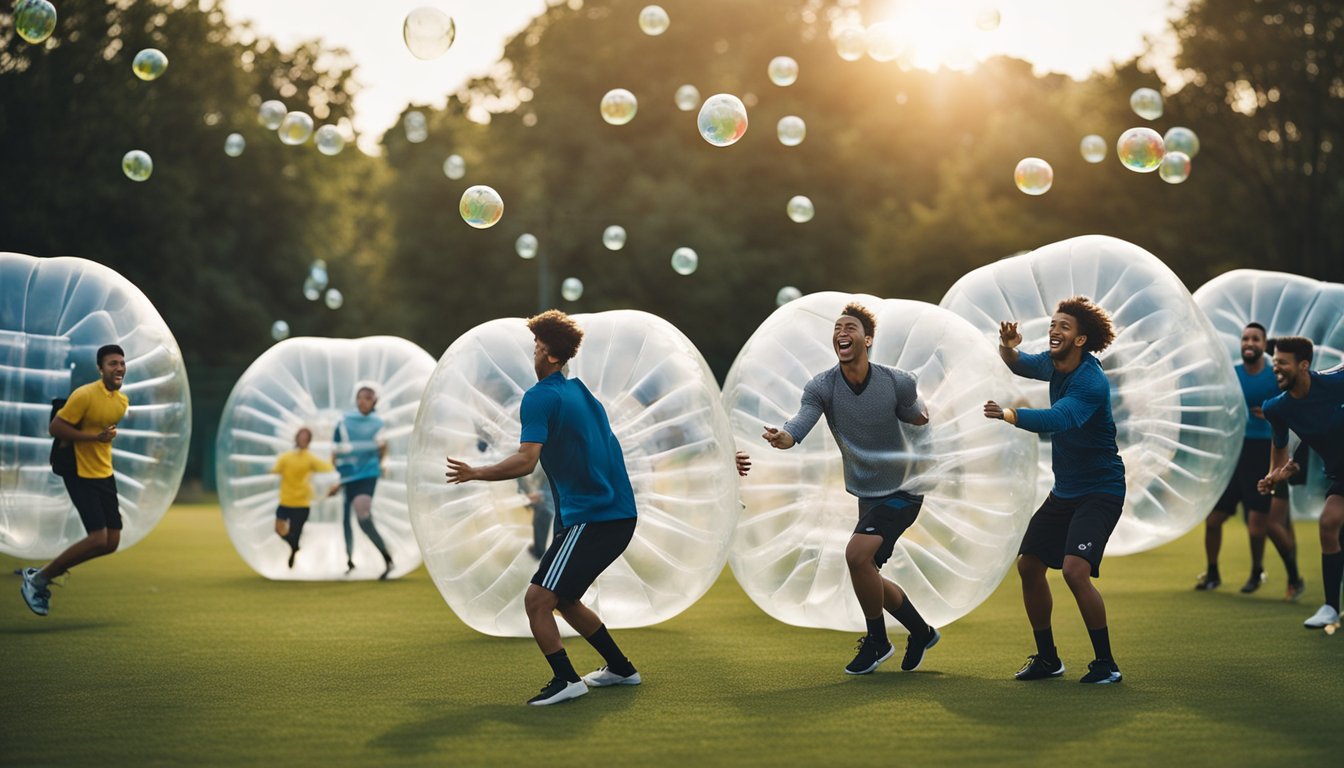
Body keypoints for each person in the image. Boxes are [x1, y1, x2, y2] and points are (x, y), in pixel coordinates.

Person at [446, 310, 640, 707]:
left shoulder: (540, 397)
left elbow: (526, 460)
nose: (533, 353)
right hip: (614, 514)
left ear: (552, 356)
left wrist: (475, 472)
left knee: (537, 601)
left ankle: (566, 680)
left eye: (537, 346)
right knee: (565, 599)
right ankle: (621, 668)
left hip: (594, 517)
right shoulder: (583, 394)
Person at [762, 303, 939, 676]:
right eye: (838, 327)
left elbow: (918, 421)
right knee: (867, 569)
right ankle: (921, 632)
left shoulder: (897, 382)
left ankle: (878, 641)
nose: (842, 332)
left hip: (905, 487)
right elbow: (802, 420)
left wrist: (923, 416)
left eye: (851, 327)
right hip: (868, 495)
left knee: (856, 556)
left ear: (867, 339)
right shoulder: (822, 386)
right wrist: (786, 435)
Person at [984, 297, 1125, 685]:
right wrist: (1007, 346)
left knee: (1075, 572)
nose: (1053, 331)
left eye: (1063, 327)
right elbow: (1018, 362)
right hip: (1066, 490)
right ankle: (1048, 659)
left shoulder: (1090, 381)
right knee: (1029, 565)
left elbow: (1061, 419)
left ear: (1080, 339)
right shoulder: (1053, 362)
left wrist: (1010, 414)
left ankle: (1106, 663)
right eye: (1052, 325)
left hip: (1102, 489)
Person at [1195, 323, 1304, 598]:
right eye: (1245, 338)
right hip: (1234, 452)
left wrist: (1271, 415)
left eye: (1255, 338)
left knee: (1261, 526)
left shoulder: (1274, 374)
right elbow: (1220, 404)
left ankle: (1282, 575)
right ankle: (1212, 573)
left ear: (1264, 344)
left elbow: (1293, 405)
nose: (1249, 343)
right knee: (1213, 519)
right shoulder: (1231, 374)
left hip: (1265, 453)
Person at [20, 345, 130, 616]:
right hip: (79, 472)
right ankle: (38, 579)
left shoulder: (121, 402)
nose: (118, 368)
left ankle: (43, 572)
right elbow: (55, 427)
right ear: (100, 368)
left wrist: (101, 438)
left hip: (104, 471)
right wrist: (94, 438)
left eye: (121, 363)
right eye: (112, 363)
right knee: (97, 538)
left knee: (111, 541)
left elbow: (102, 432)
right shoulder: (84, 395)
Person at [1257, 336, 1344, 629]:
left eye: (1282, 363)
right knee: (1329, 522)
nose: (1276, 368)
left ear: (1303, 365)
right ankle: (1331, 607)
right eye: (1274, 362)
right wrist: (1274, 475)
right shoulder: (1277, 408)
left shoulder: (1334, 384)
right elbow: (1279, 445)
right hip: (1341, 473)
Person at [331, 385, 394, 579]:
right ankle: (350, 561)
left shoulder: (378, 423)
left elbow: (383, 447)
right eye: (360, 397)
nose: (362, 401)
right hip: (347, 476)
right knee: (346, 520)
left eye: (367, 398)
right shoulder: (344, 421)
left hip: (367, 474)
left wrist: (383, 465)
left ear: (374, 401)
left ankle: (387, 558)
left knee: (362, 514)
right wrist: (338, 478)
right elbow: (335, 450)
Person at [271, 427, 335, 568]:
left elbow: (327, 468)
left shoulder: (310, 458)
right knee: (279, 529)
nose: (303, 439)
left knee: (295, 533)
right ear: (297, 438)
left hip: (302, 502)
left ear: (309, 440)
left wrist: (334, 457)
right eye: (301, 436)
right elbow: (274, 470)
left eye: (306, 437)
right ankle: (294, 546)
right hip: (286, 500)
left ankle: (293, 551)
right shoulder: (286, 457)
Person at [519, 467, 554, 559]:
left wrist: (542, 495)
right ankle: (539, 550)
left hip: (549, 504)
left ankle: (540, 552)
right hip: (545, 500)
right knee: (539, 520)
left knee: (542, 519)